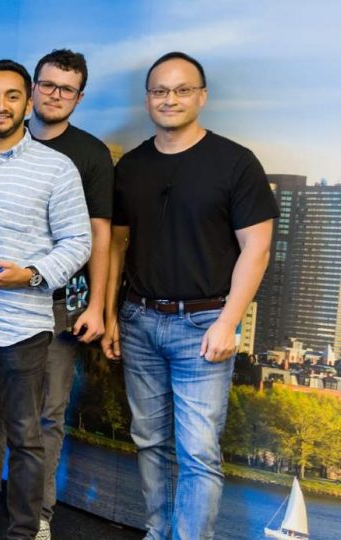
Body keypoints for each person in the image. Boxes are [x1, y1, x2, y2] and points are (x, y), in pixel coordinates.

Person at [101, 52, 277, 540]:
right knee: (149, 441)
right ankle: (159, 533)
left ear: (202, 95)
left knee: (198, 452)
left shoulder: (236, 162)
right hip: (138, 321)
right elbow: (117, 244)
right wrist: (113, 312)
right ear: (147, 99)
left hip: (204, 327)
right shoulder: (132, 166)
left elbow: (256, 249)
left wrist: (229, 322)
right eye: (160, 91)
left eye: (182, 90)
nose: (170, 99)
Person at [0, 49, 113, 540]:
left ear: (27, 105)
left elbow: (80, 241)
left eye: (12, 96)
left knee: (25, 436)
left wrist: (34, 274)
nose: (1, 105)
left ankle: (24, 530)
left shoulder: (57, 168)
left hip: (22, 323)